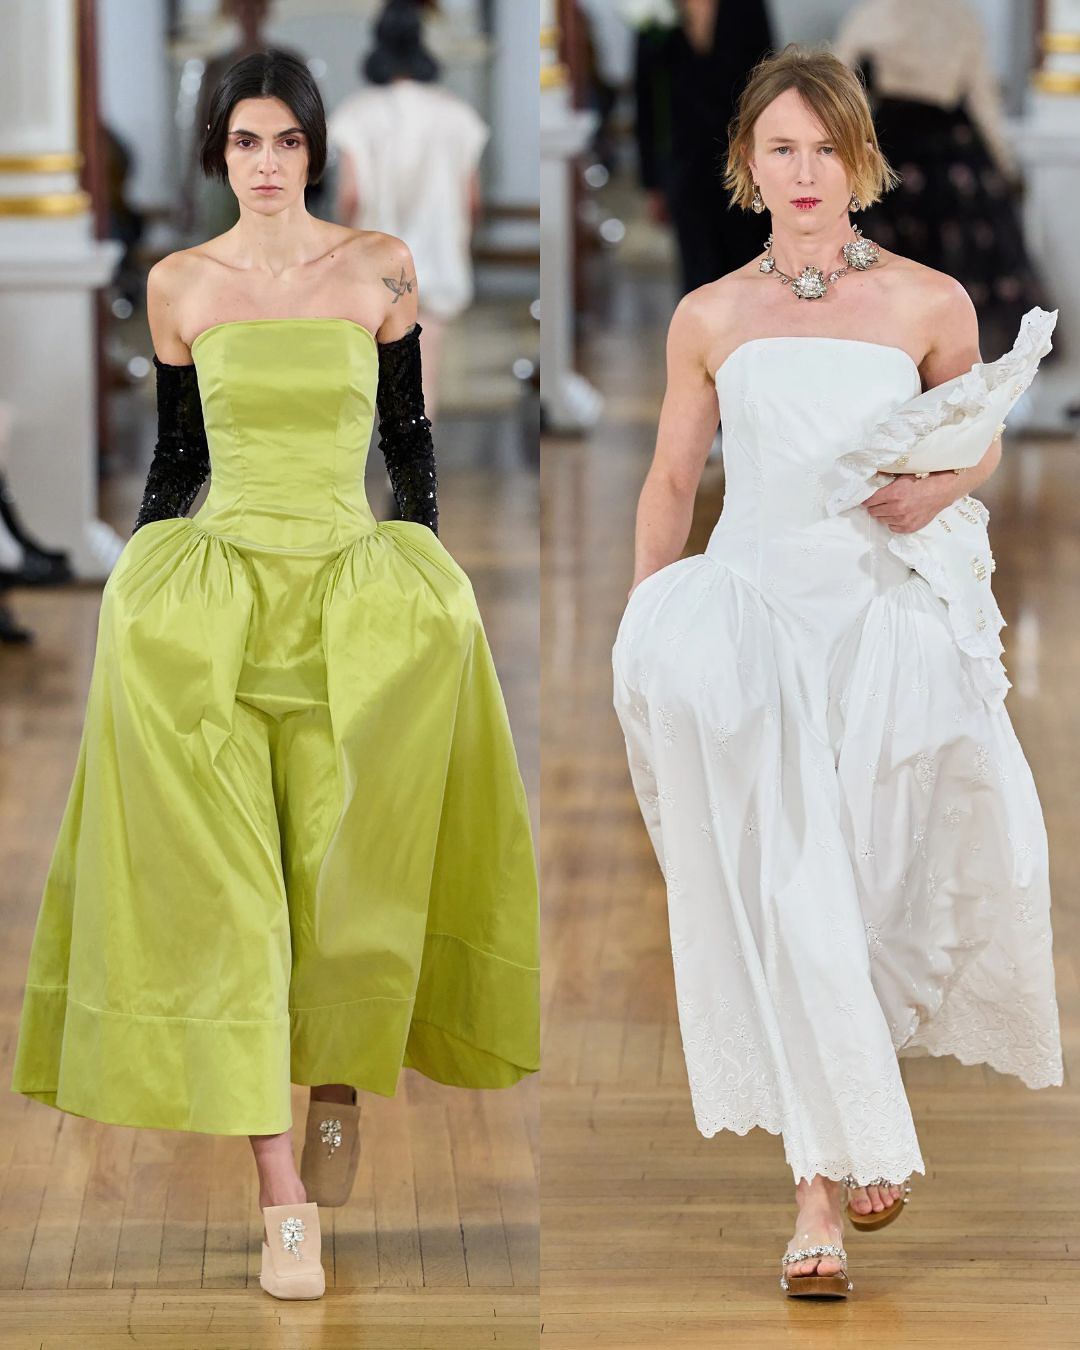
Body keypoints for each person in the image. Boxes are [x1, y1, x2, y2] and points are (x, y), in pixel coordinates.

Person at [10, 49, 540, 1303]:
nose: (265, 163)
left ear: (315, 148)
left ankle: (337, 1080)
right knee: (237, 899)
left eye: (285, 141)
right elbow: (174, 462)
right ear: (218, 151)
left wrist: (422, 575)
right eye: (244, 142)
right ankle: (279, 1196)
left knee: (343, 873)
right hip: (218, 613)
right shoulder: (181, 284)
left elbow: (409, 447)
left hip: (350, 605)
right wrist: (139, 590)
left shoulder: (379, 268)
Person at [612, 43, 1063, 1300]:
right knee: (792, 889)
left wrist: (938, 488)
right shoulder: (710, 316)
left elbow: (975, 440)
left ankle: (857, 1117)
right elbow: (671, 478)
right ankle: (818, 1188)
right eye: (780, 150)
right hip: (755, 621)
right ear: (748, 166)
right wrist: (646, 626)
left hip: (883, 619)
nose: (804, 172)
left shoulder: (928, 302)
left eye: (824, 148)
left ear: (860, 158)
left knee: (867, 881)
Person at [832, 0, 1049, 361]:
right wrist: (1005, 166)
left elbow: (838, 86)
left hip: (894, 149)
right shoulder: (959, 16)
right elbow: (982, 97)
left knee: (892, 281)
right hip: (950, 157)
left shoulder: (876, 13)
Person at [327, 0, 488, 418]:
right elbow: (471, 197)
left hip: (376, 262)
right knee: (426, 366)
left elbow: (351, 195)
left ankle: (383, 448)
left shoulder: (357, 114)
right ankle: (418, 455)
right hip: (436, 256)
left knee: (378, 366)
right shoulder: (456, 114)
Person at [633, 0, 774, 295]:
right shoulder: (654, 12)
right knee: (697, 268)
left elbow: (767, 80)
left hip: (742, 157)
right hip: (684, 161)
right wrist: (652, 182)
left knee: (747, 260)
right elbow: (645, 100)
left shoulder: (747, 6)